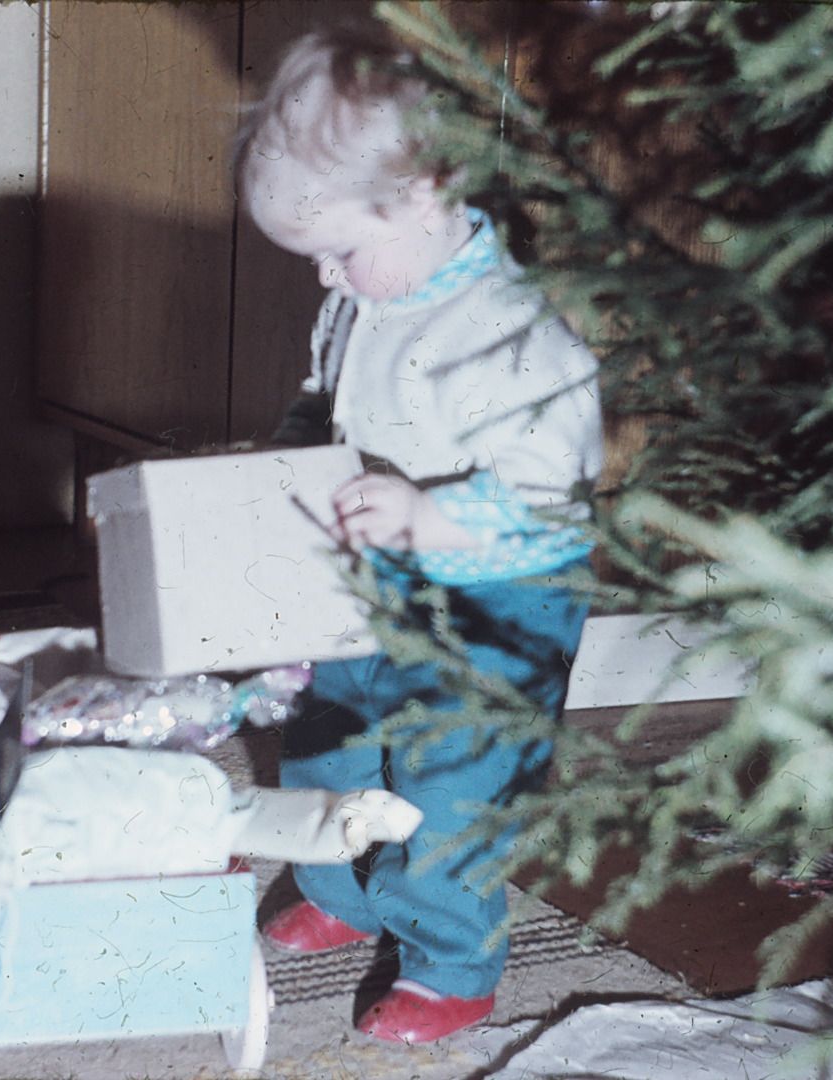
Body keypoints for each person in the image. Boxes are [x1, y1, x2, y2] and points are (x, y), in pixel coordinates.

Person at [235, 25, 604, 1044]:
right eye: (314, 258)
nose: (328, 278)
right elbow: (325, 400)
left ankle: (450, 965)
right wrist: (287, 458)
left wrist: (430, 515)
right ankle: (344, 889)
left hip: (496, 596)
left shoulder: (510, 331)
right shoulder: (364, 296)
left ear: (429, 192)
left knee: (451, 785)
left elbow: (551, 487)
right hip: (376, 574)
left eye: (341, 251)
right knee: (330, 733)